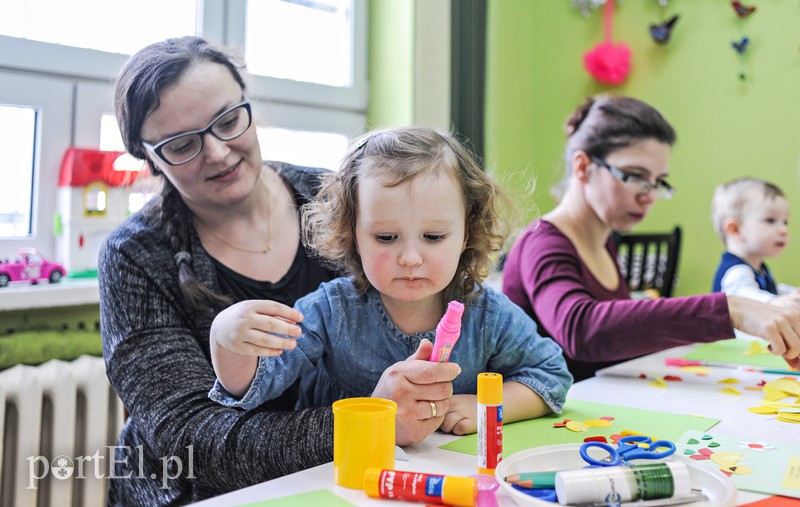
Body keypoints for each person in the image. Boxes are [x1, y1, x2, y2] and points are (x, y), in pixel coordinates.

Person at [99, 37, 459, 505]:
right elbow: (191, 440)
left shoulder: (334, 199)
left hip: (336, 479)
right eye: (183, 145)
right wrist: (369, 419)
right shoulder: (135, 256)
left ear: (249, 105)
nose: (219, 152)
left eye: (229, 121)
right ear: (148, 157)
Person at [209, 126, 573, 435]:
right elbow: (251, 387)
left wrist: (487, 407)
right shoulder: (331, 310)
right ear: (352, 234)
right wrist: (225, 338)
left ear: (466, 234)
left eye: (433, 237)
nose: (410, 258)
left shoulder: (486, 313)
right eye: (386, 237)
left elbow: (551, 375)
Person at [502, 94, 800, 382]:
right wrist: (731, 309)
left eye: (658, 182)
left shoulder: (604, 242)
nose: (649, 196)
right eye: (635, 176)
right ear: (583, 167)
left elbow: (618, 336)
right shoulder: (541, 243)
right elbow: (582, 329)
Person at [711, 178, 800, 305]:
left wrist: (791, 295)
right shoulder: (736, 272)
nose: (784, 230)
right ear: (736, 229)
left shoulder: (757, 268)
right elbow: (746, 301)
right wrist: (776, 302)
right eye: (770, 220)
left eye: (785, 222)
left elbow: (769, 290)